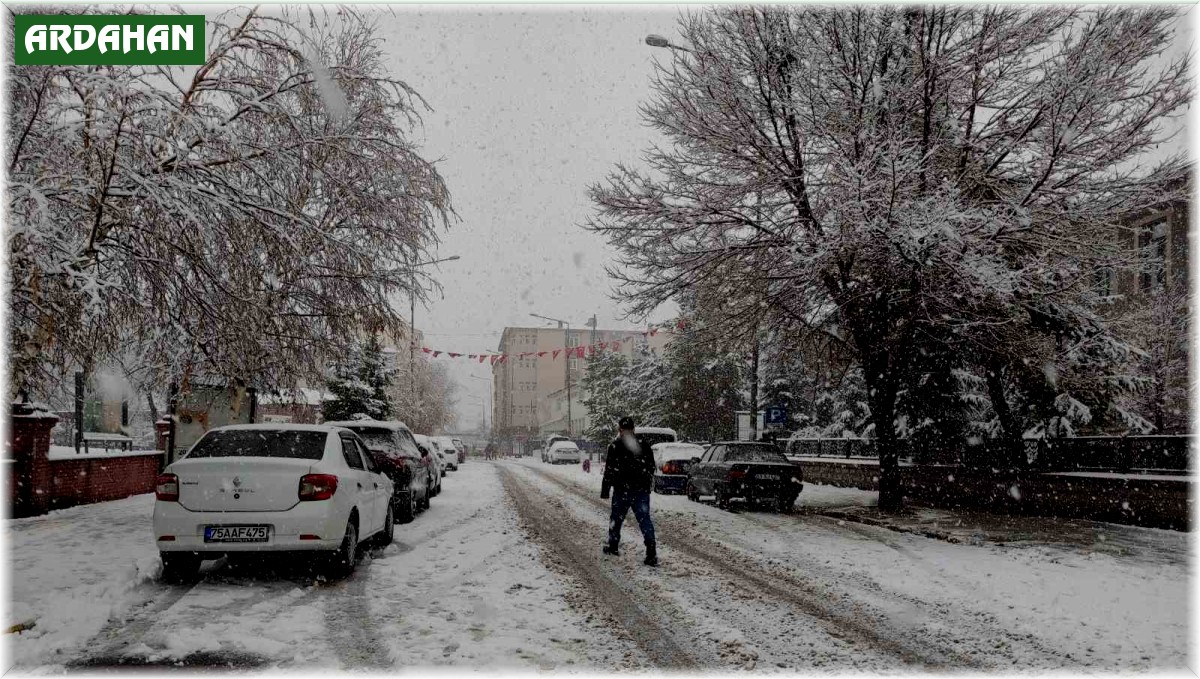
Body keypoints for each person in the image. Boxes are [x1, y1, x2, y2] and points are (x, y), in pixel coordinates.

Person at [600, 416, 658, 566]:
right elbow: (651, 467)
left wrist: (606, 489)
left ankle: (613, 546)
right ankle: (651, 551)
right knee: (645, 520)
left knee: (616, 519)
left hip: (621, 490)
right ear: (633, 429)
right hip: (640, 491)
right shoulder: (644, 445)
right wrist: (645, 484)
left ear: (620, 430)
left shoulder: (615, 446)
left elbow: (609, 470)